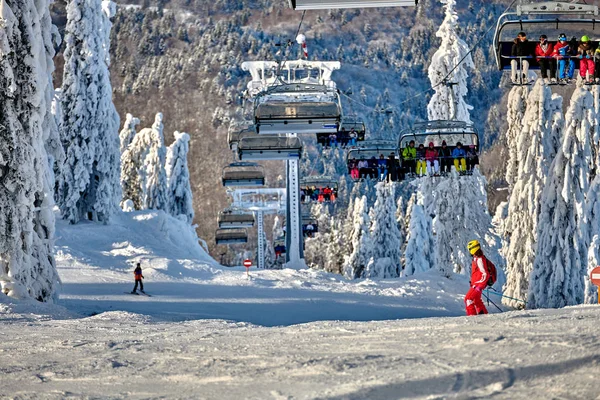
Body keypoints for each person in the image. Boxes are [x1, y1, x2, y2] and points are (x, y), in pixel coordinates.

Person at [464, 240, 490, 316]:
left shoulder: (479, 259)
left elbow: (485, 274)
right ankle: (484, 316)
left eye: (469, 249)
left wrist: (479, 285)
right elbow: (477, 274)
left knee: (468, 299)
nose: (469, 251)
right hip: (476, 284)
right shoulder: (477, 258)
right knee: (476, 300)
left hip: (478, 285)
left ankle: (472, 318)